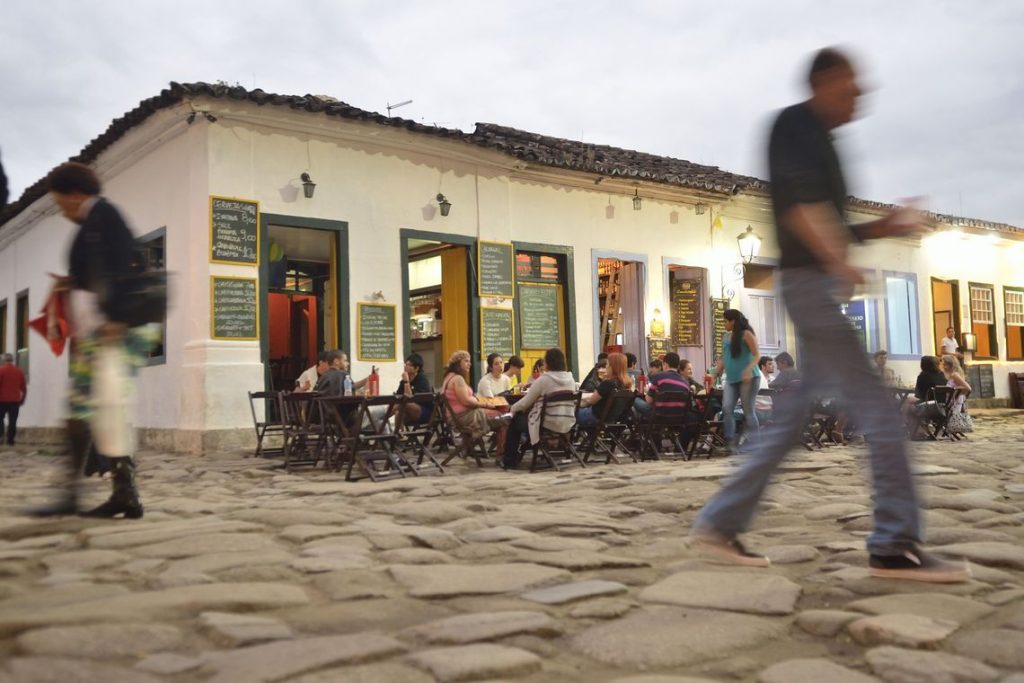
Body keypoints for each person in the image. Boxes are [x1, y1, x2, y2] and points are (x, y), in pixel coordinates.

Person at [692, 48, 969, 583]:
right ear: (823, 81)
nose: (859, 95)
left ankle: (720, 523)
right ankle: (895, 544)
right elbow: (801, 209)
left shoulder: (823, 142)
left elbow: (830, 221)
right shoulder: (795, 126)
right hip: (811, 286)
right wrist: (836, 259)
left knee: (791, 419)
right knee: (882, 412)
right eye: (850, 86)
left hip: (813, 285)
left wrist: (882, 227)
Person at [30, 162, 159, 518]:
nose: (62, 211)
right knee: (100, 408)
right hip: (103, 332)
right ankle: (119, 493)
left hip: (116, 330)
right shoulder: (95, 221)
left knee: (94, 408)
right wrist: (71, 283)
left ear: (74, 194)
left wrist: (116, 318)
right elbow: (104, 269)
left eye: (61, 203)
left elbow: (127, 264)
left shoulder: (103, 216)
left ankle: (88, 494)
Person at [501, 348, 576, 469]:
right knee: (525, 418)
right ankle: (529, 447)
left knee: (515, 422)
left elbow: (525, 402)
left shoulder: (544, 380)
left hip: (546, 423)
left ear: (549, 362)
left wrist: (512, 409)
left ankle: (510, 461)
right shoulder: (571, 380)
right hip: (567, 422)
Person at [709, 309, 762, 449]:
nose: (724, 324)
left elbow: (757, 355)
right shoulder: (726, 337)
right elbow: (723, 358)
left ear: (733, 321)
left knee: (748, 411)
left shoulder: (746, 334)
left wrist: (748, 369)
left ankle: (757, 444)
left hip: (749, 378)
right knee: (726, 408)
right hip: (731, 379)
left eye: (725, 321)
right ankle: (730, 442)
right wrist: (715, 374)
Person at [441, 350, 506, 441]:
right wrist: (484, 404)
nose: (470, 364)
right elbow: (466, 401)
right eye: (466, 361)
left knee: (501, 417)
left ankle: (467, 444)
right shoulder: (458, 379)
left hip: (457, 416)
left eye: (470, 361)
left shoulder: (449, 376)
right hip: (463, 417)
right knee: (504, 417)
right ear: (457, 363)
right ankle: (504, 447)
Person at [577, 352, 633, 427]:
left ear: (612, 367)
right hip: (613, 419)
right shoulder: (626, 384)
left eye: (607, 364)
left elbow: (591, 401)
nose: (606, 367)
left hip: (595, 417)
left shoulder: (607, 384)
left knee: (571, 414)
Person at [0, 353, 27, 446]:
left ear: (3, 360)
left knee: (0, 418)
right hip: (15, 401)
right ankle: (10, 440)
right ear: (12, 360)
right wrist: (22, 399)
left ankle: (1, 436)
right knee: (13, 421)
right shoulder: (19, 371)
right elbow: (23, 387)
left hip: (2, 400)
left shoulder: (1, 370)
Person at [397, 352, 433, 423]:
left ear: (416, 368)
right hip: (408, 410)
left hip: (424, 411)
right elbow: (398, 396)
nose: (406, 367)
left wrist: (406, 382)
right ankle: (396, 430)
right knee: (397, 412)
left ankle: (383, 417)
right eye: (406, 364)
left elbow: (410, 398)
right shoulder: (403, 381)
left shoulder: (422, 380)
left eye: (409, 365)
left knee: (404, 403)